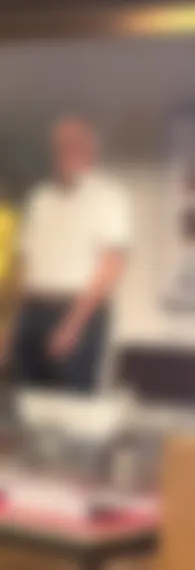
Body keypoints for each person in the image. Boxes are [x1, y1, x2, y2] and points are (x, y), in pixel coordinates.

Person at [2, 116, 129, 392]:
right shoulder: (41, 198)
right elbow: (25, 264)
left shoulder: (107, 198)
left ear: (90, 149)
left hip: (78, 312)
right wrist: (10, 325)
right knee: (28, 404)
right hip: (32, 311)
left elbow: (110, 267)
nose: (64, 153)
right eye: (58, 146)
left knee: (70, 410)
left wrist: (72, 326)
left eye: (73, 145)